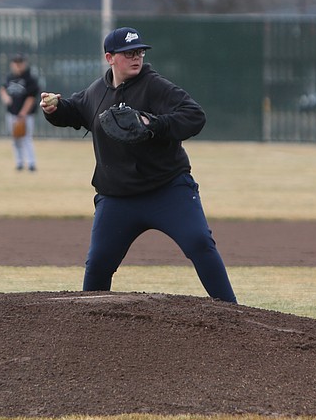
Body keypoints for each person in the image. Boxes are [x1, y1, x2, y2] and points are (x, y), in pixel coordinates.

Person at [40, 26, 237, 303]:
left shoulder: (156, 86)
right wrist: (56, 109)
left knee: (199, 243)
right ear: (110, 57)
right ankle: (87, 327)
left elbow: (195, 116)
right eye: (128, 53)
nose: (136, 58)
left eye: (139, 52)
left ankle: (233, 313)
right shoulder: (98, 90)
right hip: (117, 199)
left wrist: (153, 123)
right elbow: (75, 111)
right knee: (98, 263)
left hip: (168, 191)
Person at [0, 53, 40, 172]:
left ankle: (31, 163)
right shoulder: (9, 77)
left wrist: (23, 113)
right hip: (12, 113)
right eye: (15, 63)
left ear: (24, 63)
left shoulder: (30, 79)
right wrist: (5, 97)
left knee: (26, 138)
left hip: (25, 115)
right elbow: (2, 88)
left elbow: (31, 98)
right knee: (15, 139)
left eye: (20, 63)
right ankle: (19, 163)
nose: (17, 65)